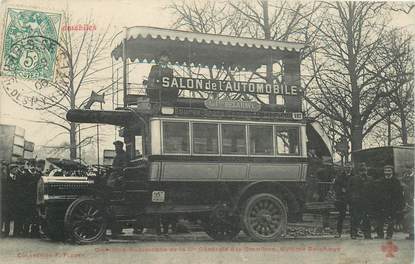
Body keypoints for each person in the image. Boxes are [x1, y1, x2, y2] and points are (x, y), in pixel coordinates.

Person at [374, 165, 404, 239]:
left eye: (389, 171)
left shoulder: (396, 181)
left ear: (392, 172)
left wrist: (399, 205)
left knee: (391, 220)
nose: (387, 172)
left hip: (392, 204)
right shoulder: (380, 181)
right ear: (384, 172)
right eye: (386, 171)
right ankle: (380, 234)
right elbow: (377, 193)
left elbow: (399, 194)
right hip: (382, 204)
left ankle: (389, 234)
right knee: (380, 219)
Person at [105, 140, 129, 237]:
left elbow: (125, 167)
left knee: (110, 182)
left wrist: (114, 169)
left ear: (121, 147)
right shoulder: (118, 155)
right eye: (115, 147)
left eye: (117, 147)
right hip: (117, 175)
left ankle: (108, 193)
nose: (115, 149)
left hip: (122, 176)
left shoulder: (124, 155)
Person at [348, 162, 373, 239]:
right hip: (356, 202)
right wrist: (350, 201)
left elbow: (373, 190)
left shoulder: (370, 179)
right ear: (358, 171)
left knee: (367, 219)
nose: (363, 172)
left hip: (366, 202)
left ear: (367, 171)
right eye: (361, 170)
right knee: (355, 218)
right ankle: (353, 234)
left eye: (365, 170)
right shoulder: (353, 179)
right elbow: (349, 191)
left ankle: (367, 234)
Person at [333, 163, 352, 238]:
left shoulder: (354, 176)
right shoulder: (340, 177)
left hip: (352, 197)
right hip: (342, 198)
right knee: (341, 215)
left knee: (354, 215)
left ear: (352, 167)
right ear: (344, 168)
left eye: (349, 167)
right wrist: (341, 190)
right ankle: (338, 232)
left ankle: (355, 232)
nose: (348, 168)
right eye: (347, 167)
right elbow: (335, 186)